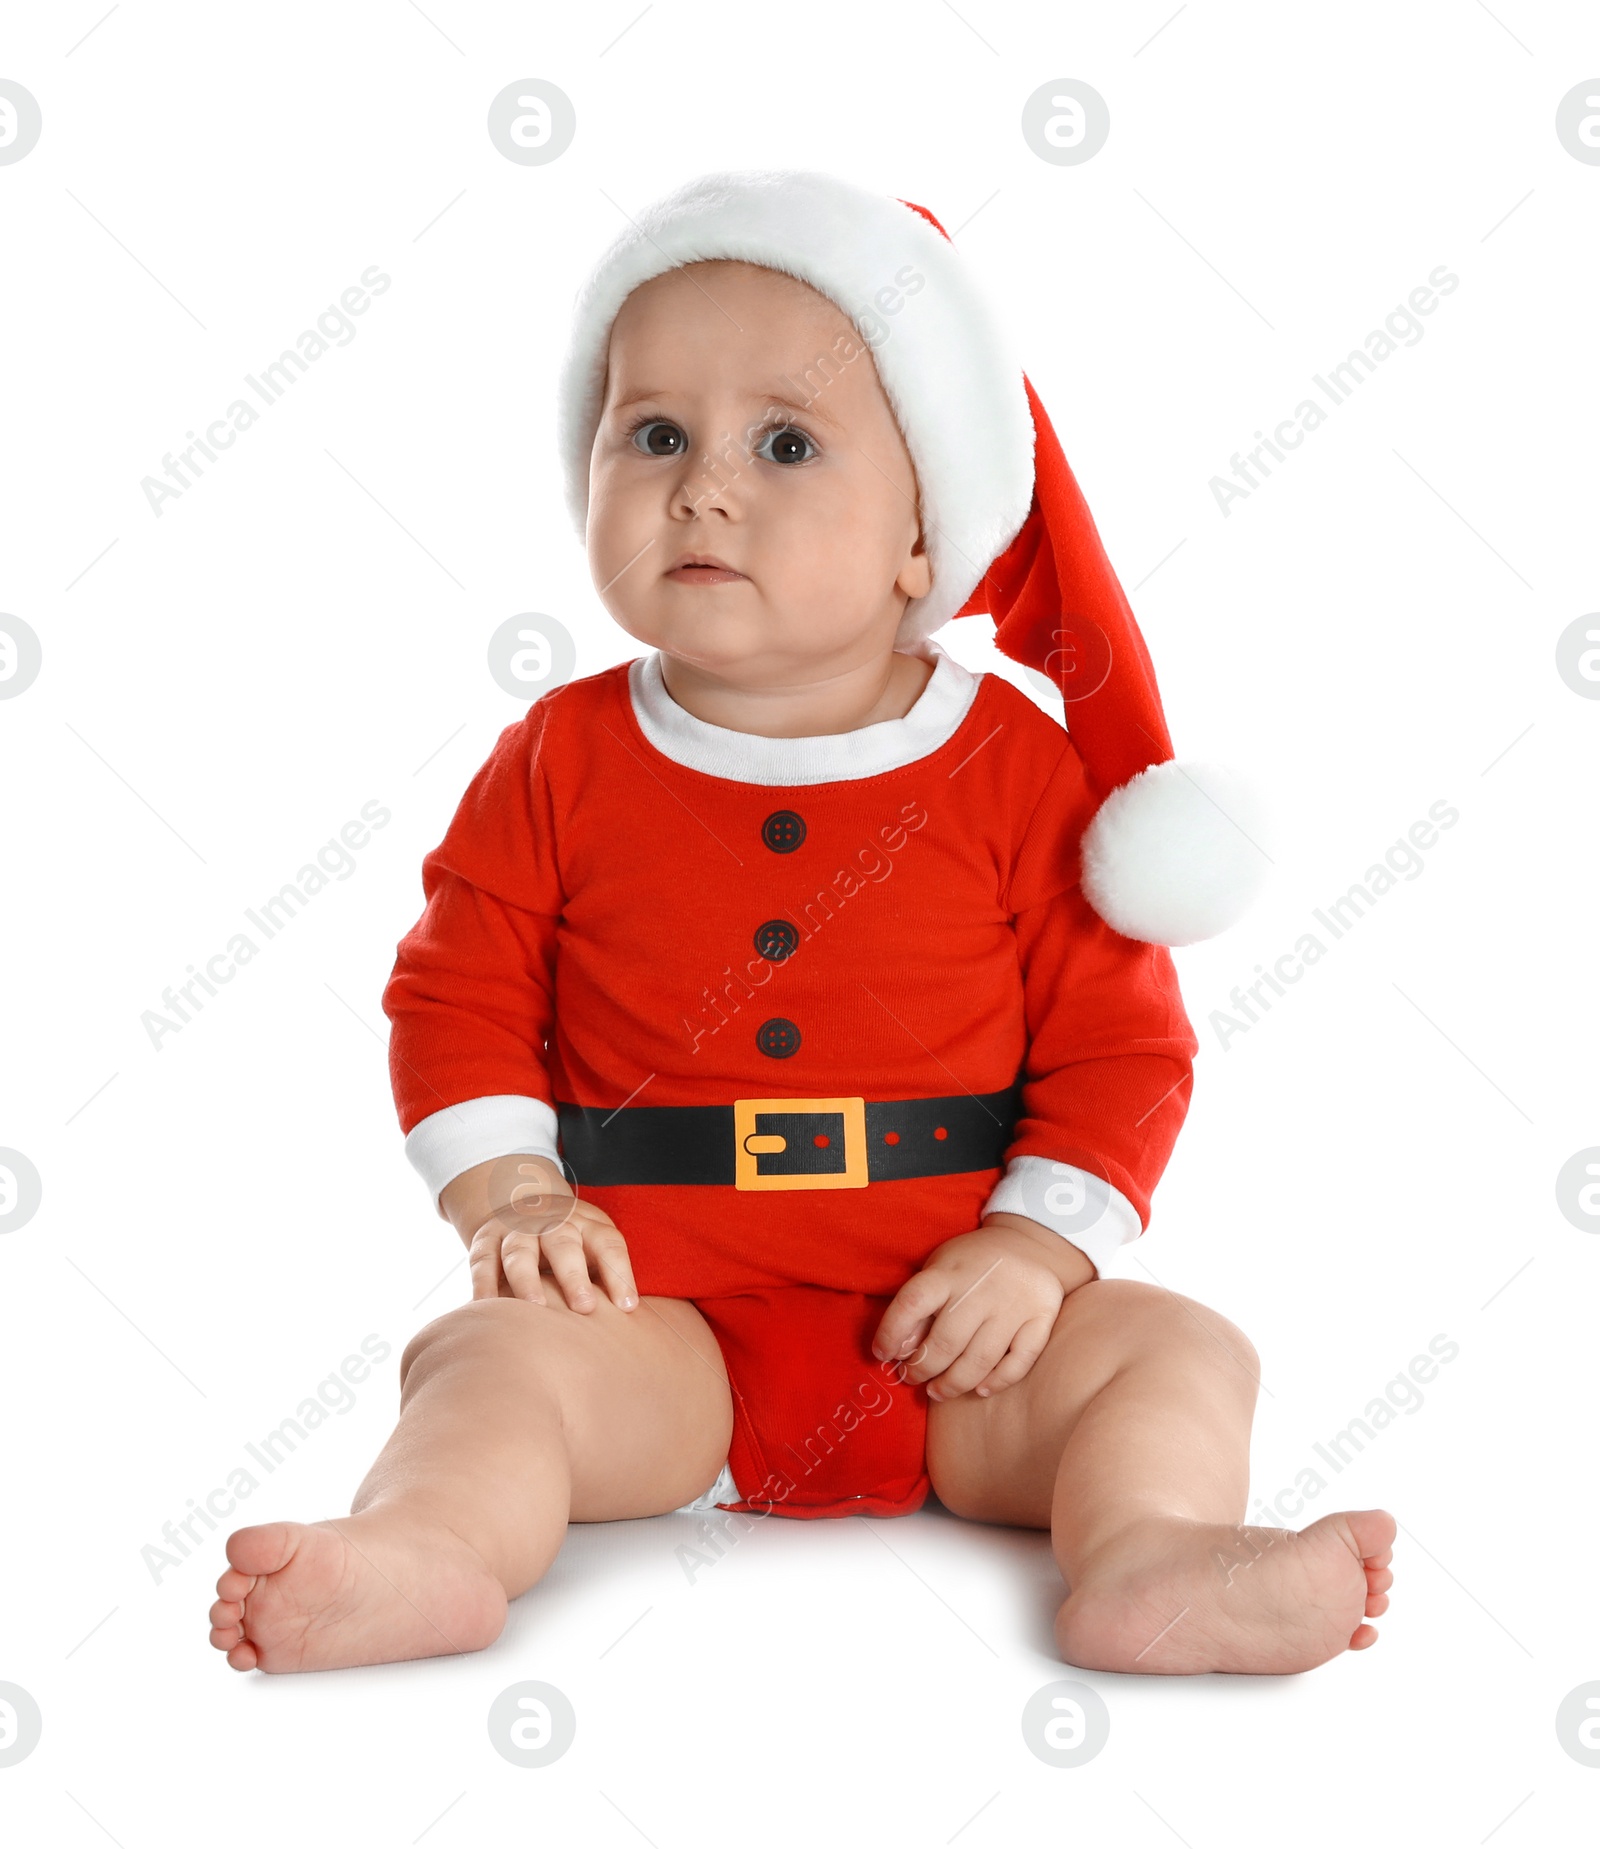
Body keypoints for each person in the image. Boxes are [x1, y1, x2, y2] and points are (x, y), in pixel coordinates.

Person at [208, 169, 1395, 1676]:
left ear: (926, 537)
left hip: (970, 1347)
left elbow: (1125, 1049)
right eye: (652, 435)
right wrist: (510, 1197)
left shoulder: (1012, 766)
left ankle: (1151, 1551)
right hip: (662, 1328)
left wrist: (1036, 1253)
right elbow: (459, 997)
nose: (703, 486)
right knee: (490, 1363)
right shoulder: (558, 758)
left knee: (1180, 1351)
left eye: (786, 443)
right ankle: (428, 1549)